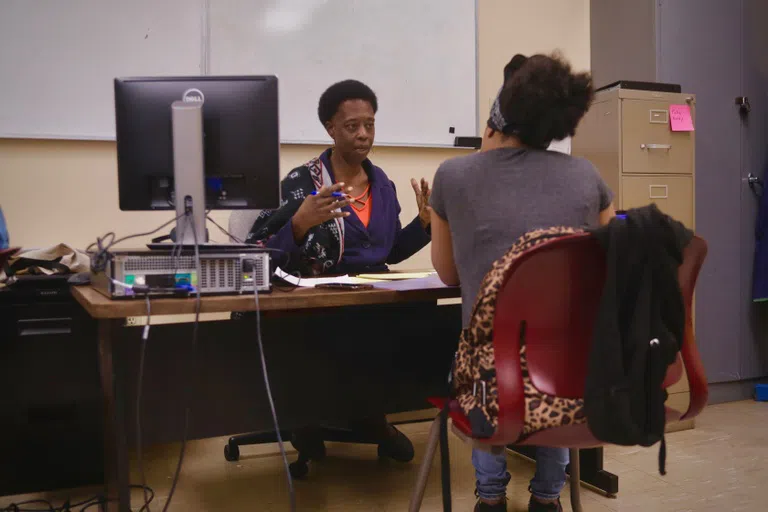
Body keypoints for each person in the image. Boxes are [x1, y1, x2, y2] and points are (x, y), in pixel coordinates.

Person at [429, 53, 616, 511]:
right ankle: (548, 498)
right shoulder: (587, 176)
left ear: (501, 108)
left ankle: (490, 498)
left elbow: (449, 274)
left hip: (490, 380)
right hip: (571, 377)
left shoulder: (454, 176)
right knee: (554, 359)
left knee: (488, 361)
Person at [246, 79, 433, 462]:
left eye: (370, 124)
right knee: (333, 335)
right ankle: (311, 417)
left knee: (422, 321)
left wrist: (424, 225)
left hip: (372, 303)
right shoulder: (302, 184)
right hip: (315, 303)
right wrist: (298, 223)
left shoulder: (383, 186)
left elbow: (390, 252)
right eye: (352, 126)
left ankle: (368, 415)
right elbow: (258, 252)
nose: (363, 134)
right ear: (330, 129)